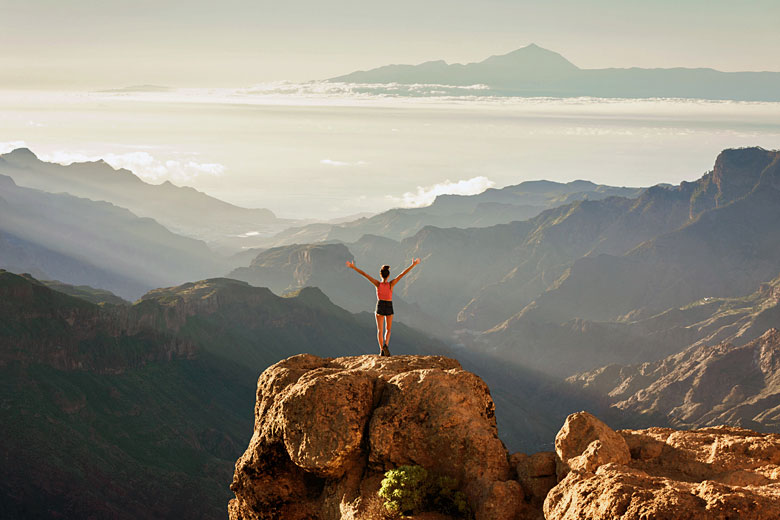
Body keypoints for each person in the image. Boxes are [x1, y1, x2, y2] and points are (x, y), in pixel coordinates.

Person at [346, 258, 421, 356]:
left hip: (380, 305)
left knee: (379, 330)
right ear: (388, 275)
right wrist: (413, 265)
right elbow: (403, 274)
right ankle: (386, 345)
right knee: (388, 329)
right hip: (389, 306)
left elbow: (365, 275)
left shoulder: (377, 284)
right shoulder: (391, 284)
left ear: (380, 275)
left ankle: (381, 350)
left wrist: (353, 267)